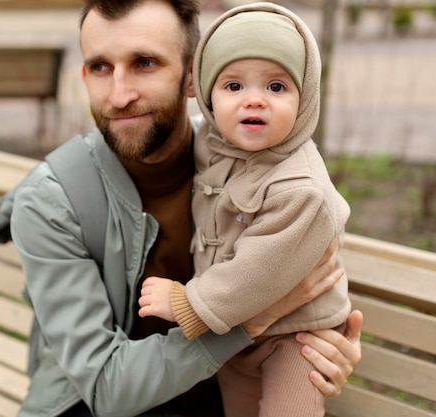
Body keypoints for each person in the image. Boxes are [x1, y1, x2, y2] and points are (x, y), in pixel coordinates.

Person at [0, 1, 363, 416]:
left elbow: (311, 261)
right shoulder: (51, 202)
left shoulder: (251, 162)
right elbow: (104, 387)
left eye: (145, 63)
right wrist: (252, 321)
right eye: (100, 67)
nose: (119, 94)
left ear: (193, 76)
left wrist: (326, 350)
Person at [137, 3, 352, 417]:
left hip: (297, 337)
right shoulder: (213, 145)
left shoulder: (301, 189)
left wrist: (188, 302)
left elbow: (260, 268)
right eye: (233, 86)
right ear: (207, 95)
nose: (254, 100)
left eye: (276, 87)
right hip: (235, 332)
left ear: (305, 97)